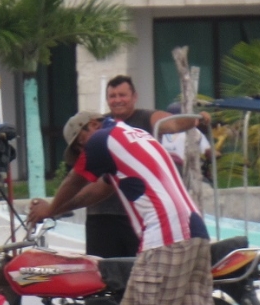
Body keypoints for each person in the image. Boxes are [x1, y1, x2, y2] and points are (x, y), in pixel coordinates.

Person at [28, 111, 220, 305]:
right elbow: (99, 189)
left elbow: (75, 180)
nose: (83, 149)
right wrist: (58, 209)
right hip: (194, 232)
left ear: (92, 125)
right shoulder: (133, 136)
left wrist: (50, 209)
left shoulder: (102, 139)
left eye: (80, 143)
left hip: (167, 235)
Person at [55, 75, 207, 258]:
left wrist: (196, 120)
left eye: (122, 95)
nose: (117, 100)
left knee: (134, 270)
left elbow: (172, 123)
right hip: (101, 214)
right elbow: (85, 181)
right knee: (103, 275)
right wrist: (55, 208)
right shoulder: (98, 129)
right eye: (112, 96)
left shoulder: (144, 119)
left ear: (134, 97)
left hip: (138, 214)